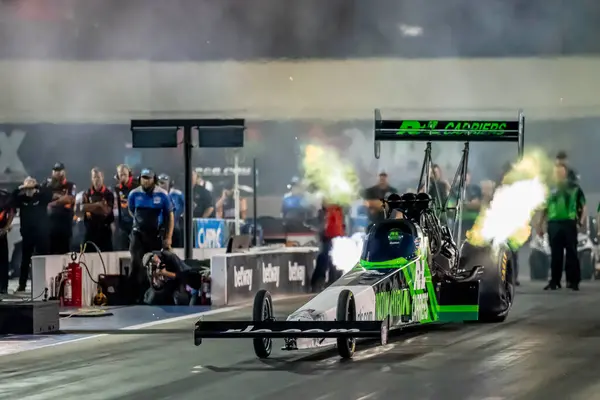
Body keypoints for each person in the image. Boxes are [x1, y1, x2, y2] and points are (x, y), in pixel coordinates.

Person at [128, 168, 174, 303]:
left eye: (148, 178)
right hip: (138, 233)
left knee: (155, 265)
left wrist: (168, 237)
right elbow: (132, 211)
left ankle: (154, 295)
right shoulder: (134, 194)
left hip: (155, 235)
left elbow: (170, 216)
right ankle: (134, 297)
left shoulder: (163, 195)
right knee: (136, 263)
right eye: (143, 178)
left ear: (154, 179)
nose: (145, 181)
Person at [538, 163, 586, 291]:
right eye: (556, 171)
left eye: (561, 171)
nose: (558, 173)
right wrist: (539, 225)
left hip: (569, 223)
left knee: (572, 253)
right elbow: (544, 208)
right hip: (554, 224)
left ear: (565, 172)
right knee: (555, 254)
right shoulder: (549, 189)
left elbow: (583, 206)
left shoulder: (574, 188)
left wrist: (581, 221)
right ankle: (555, 281)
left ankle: (573, 281)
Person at [11, 177, 52, 292]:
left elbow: (49, 194)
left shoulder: (41, 198)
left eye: (31, 187)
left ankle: (45, 284)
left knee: (43, 260)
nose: (29, 190)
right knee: (25, 261)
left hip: (41, 235)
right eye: (27, 188)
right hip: (27, 235)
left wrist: (38, 186)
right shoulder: (21, 199)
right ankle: (22, 285)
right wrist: (20, 188)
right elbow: (11, 199)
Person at [311, 200, 345, 292]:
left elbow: (341, 224)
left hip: (336, 237)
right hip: (328, 237)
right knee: (325, 258)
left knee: (333, 261)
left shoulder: (338, 209)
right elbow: (322, 224)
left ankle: (332, 282)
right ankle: (318, 282)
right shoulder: (326, 211)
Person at [43, 162, 76, 254]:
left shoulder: (70, 185)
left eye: (59, 171)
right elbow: (42, 199)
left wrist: (52, 201)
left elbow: (69, 199)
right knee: (50, 255)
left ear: (64, 172)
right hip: (49, 227)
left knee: (64, 254)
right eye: (55, 171)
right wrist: (60, 198)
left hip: (64, 226)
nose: (57, 173)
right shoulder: (47, 186)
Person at [81, 168, 115, 252]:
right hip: (90, 230)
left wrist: (90, 207)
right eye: (94, 177)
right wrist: (98, 205)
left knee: (107, 256)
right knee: (86, 256)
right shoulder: (86, 193)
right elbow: (82, 208)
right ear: (91, 178)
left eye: (98, 177)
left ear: (102, 177)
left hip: (105, 230)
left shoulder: (109, 194)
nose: (96, 180)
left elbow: (106, 211)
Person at [113, 164, 138, 250]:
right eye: (121, 174)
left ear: (129, 174)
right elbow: (117, 207)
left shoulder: (137, 185)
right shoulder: (117, 188)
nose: (123, 177)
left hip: (136, 223)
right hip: (123, 224)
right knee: (122, 247)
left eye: (124, 174)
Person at [158, 174, 184, 248]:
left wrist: (182, 216)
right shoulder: (156, 194)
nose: (161, 185)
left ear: (170, 184)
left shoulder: (177, 194)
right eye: (160, 183)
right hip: (160, 227)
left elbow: (191, 205)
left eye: (164, 183)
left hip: (175, 226)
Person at [0, 188, 15, 294]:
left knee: (3, 261)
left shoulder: (5, 195)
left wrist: (6, 227)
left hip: (1, 232)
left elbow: (11, 212)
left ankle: (3, 287)